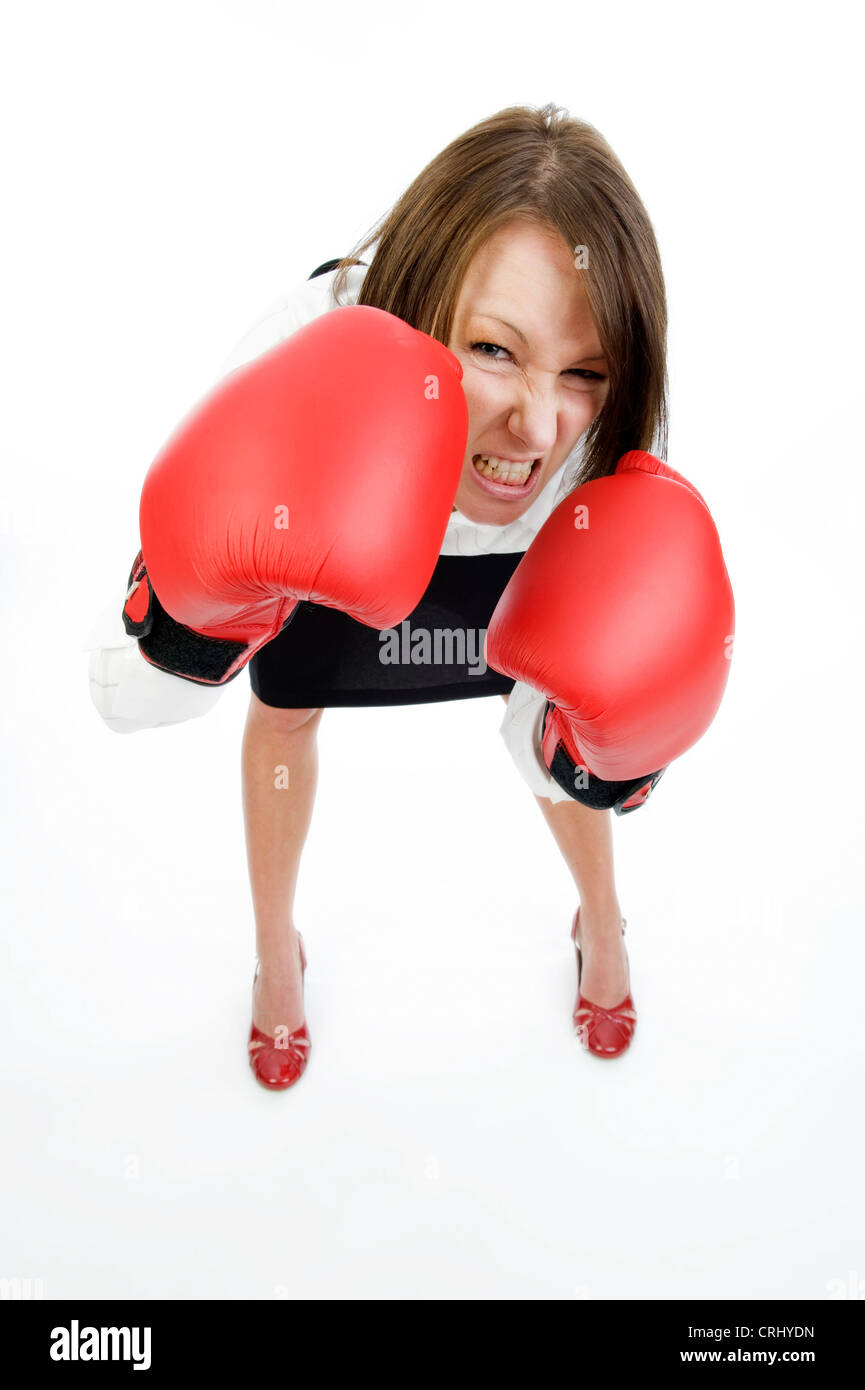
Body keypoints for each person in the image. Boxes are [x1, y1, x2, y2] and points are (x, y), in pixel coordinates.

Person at [88, 103, 724, 1088]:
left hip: (524, 560)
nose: (535, 425)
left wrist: (613, 759)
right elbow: (119, 702)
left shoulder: (604, 451)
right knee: (285, 717)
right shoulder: (311, 346)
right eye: (495, 350)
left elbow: (559, 727)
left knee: (573, 718)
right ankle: (274, 953)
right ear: (422, 306)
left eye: (584, 369)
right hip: (341, 523)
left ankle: (602, 923)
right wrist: (186, 630)